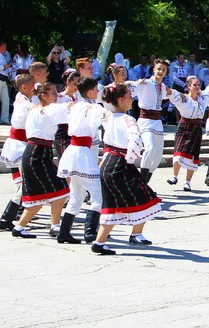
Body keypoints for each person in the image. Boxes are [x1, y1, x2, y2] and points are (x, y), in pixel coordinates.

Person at [92, 84, 162, 255]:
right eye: (130, 96)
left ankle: (100, 242)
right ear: (121, 100)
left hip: (107, 162)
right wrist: (130, 159)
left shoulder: (108, 118)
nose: (133, 99)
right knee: (146, 196)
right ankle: (136, 233)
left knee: (111, 203)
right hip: (120, 164)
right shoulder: (128, 119)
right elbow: (136, 141)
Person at [12, 83, 70, 238]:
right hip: (37, 153)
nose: (56, 96)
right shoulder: (49, 109)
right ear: (43, 95)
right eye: (52, 93)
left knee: (40, 194)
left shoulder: (36, 110)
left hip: (37, 153)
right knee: (61, 188)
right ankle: (55, 226)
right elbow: (65, 112)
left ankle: (19, 227)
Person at [56, 78, 108, 244]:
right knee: (98, 194)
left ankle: (64, 232)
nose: (98, 93)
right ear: (91, 92)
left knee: (76, 195)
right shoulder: (93, 108)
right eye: (96, 90)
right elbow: (107, 119)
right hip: (83, 153)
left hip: (72, 151)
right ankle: (90, 232)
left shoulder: (74, 105)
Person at [0, 74, 35, 230]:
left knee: (25, 183)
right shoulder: (23, 103)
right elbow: (20, 122)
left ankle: (12, 215)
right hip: (19, 145)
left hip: (21, 143)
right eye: (32, 84)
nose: (35, 87)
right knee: (25, 183)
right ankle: (7, 216)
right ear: (24, 87)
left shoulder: (24, 99)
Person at [167, 76, 209, 191]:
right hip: (184, 126)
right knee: (178, 151)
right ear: (188, 86)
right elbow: (170, 92)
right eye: (194, 85)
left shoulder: (203, 99)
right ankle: (174, 176)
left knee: (193, 156)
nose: (197, 87)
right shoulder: (183, 98)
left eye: (198, 85)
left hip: (196, 128)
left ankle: (187, 182)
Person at [137, 59, 170, 183]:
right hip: (146, 120)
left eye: (164, 70)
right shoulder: (145, 83)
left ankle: (145, 184)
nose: (161, 71)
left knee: (158, 154)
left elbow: (170, 95)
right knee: (150, 148)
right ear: (154, 70)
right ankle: (140, 183)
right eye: (159, 69)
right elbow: (132, 87)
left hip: (157, 121)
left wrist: (182, 95)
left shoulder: (163, 87)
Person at [54, 71, 80, 161]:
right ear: (68, 83)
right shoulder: (59, 97)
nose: (76, 86)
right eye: (75, 84)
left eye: (78, 84)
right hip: (62, 131)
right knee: (64, 159)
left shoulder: (77, 98)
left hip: (73, 130)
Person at [0, 40, 15, 124]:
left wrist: (10, 68)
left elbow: (6, 69)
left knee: (6, 100)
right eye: (4, 47)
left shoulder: (3, 56)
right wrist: (5, 66)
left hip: (4, 79)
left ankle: (4, 119)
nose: (5, 49)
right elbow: (2, 67)